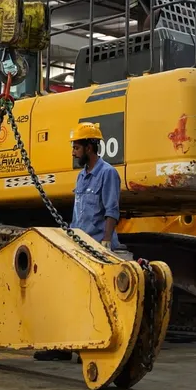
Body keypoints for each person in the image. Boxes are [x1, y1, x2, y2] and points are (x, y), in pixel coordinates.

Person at [34, 122, 122, 362]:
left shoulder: (107, 174)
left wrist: (105, 241)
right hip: (78, 245)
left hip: (96, 247)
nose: (73, 152)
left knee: (91, 300)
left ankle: (90, 347)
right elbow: (78, 215)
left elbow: (111, 210)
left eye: (77, 147)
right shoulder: (81, 177)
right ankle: (62, 347)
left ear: (90, 148)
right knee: (64, 295)